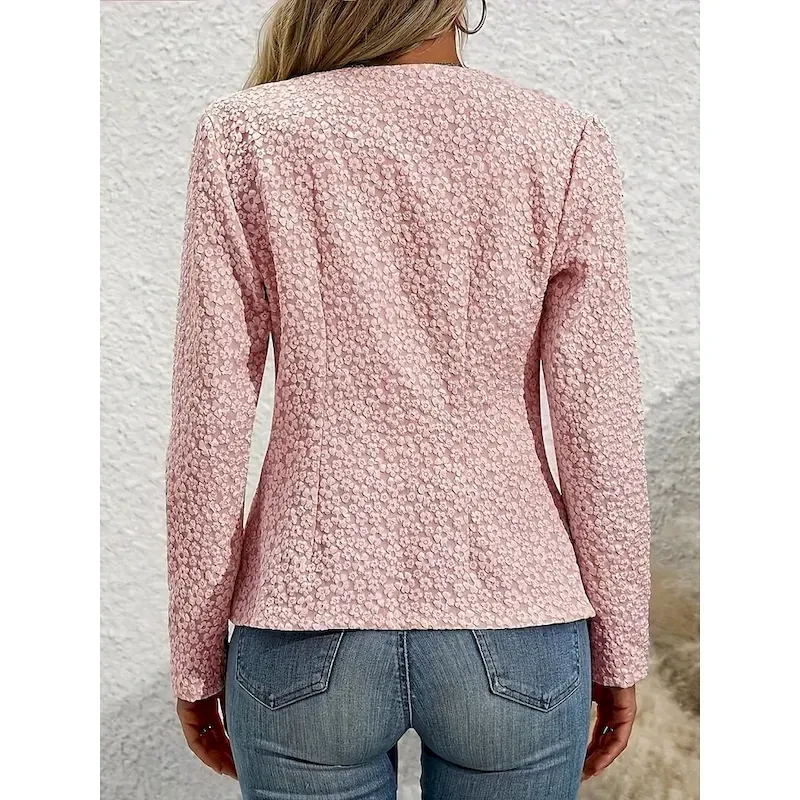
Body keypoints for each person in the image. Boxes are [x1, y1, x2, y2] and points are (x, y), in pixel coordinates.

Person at [164, 1, 653, 798]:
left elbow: (208, 422)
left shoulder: (248, 134)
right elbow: (599, 426)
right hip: (516, 615)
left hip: (305, 616)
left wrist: (194, 654)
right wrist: (621, 645)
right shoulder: (559, 138)